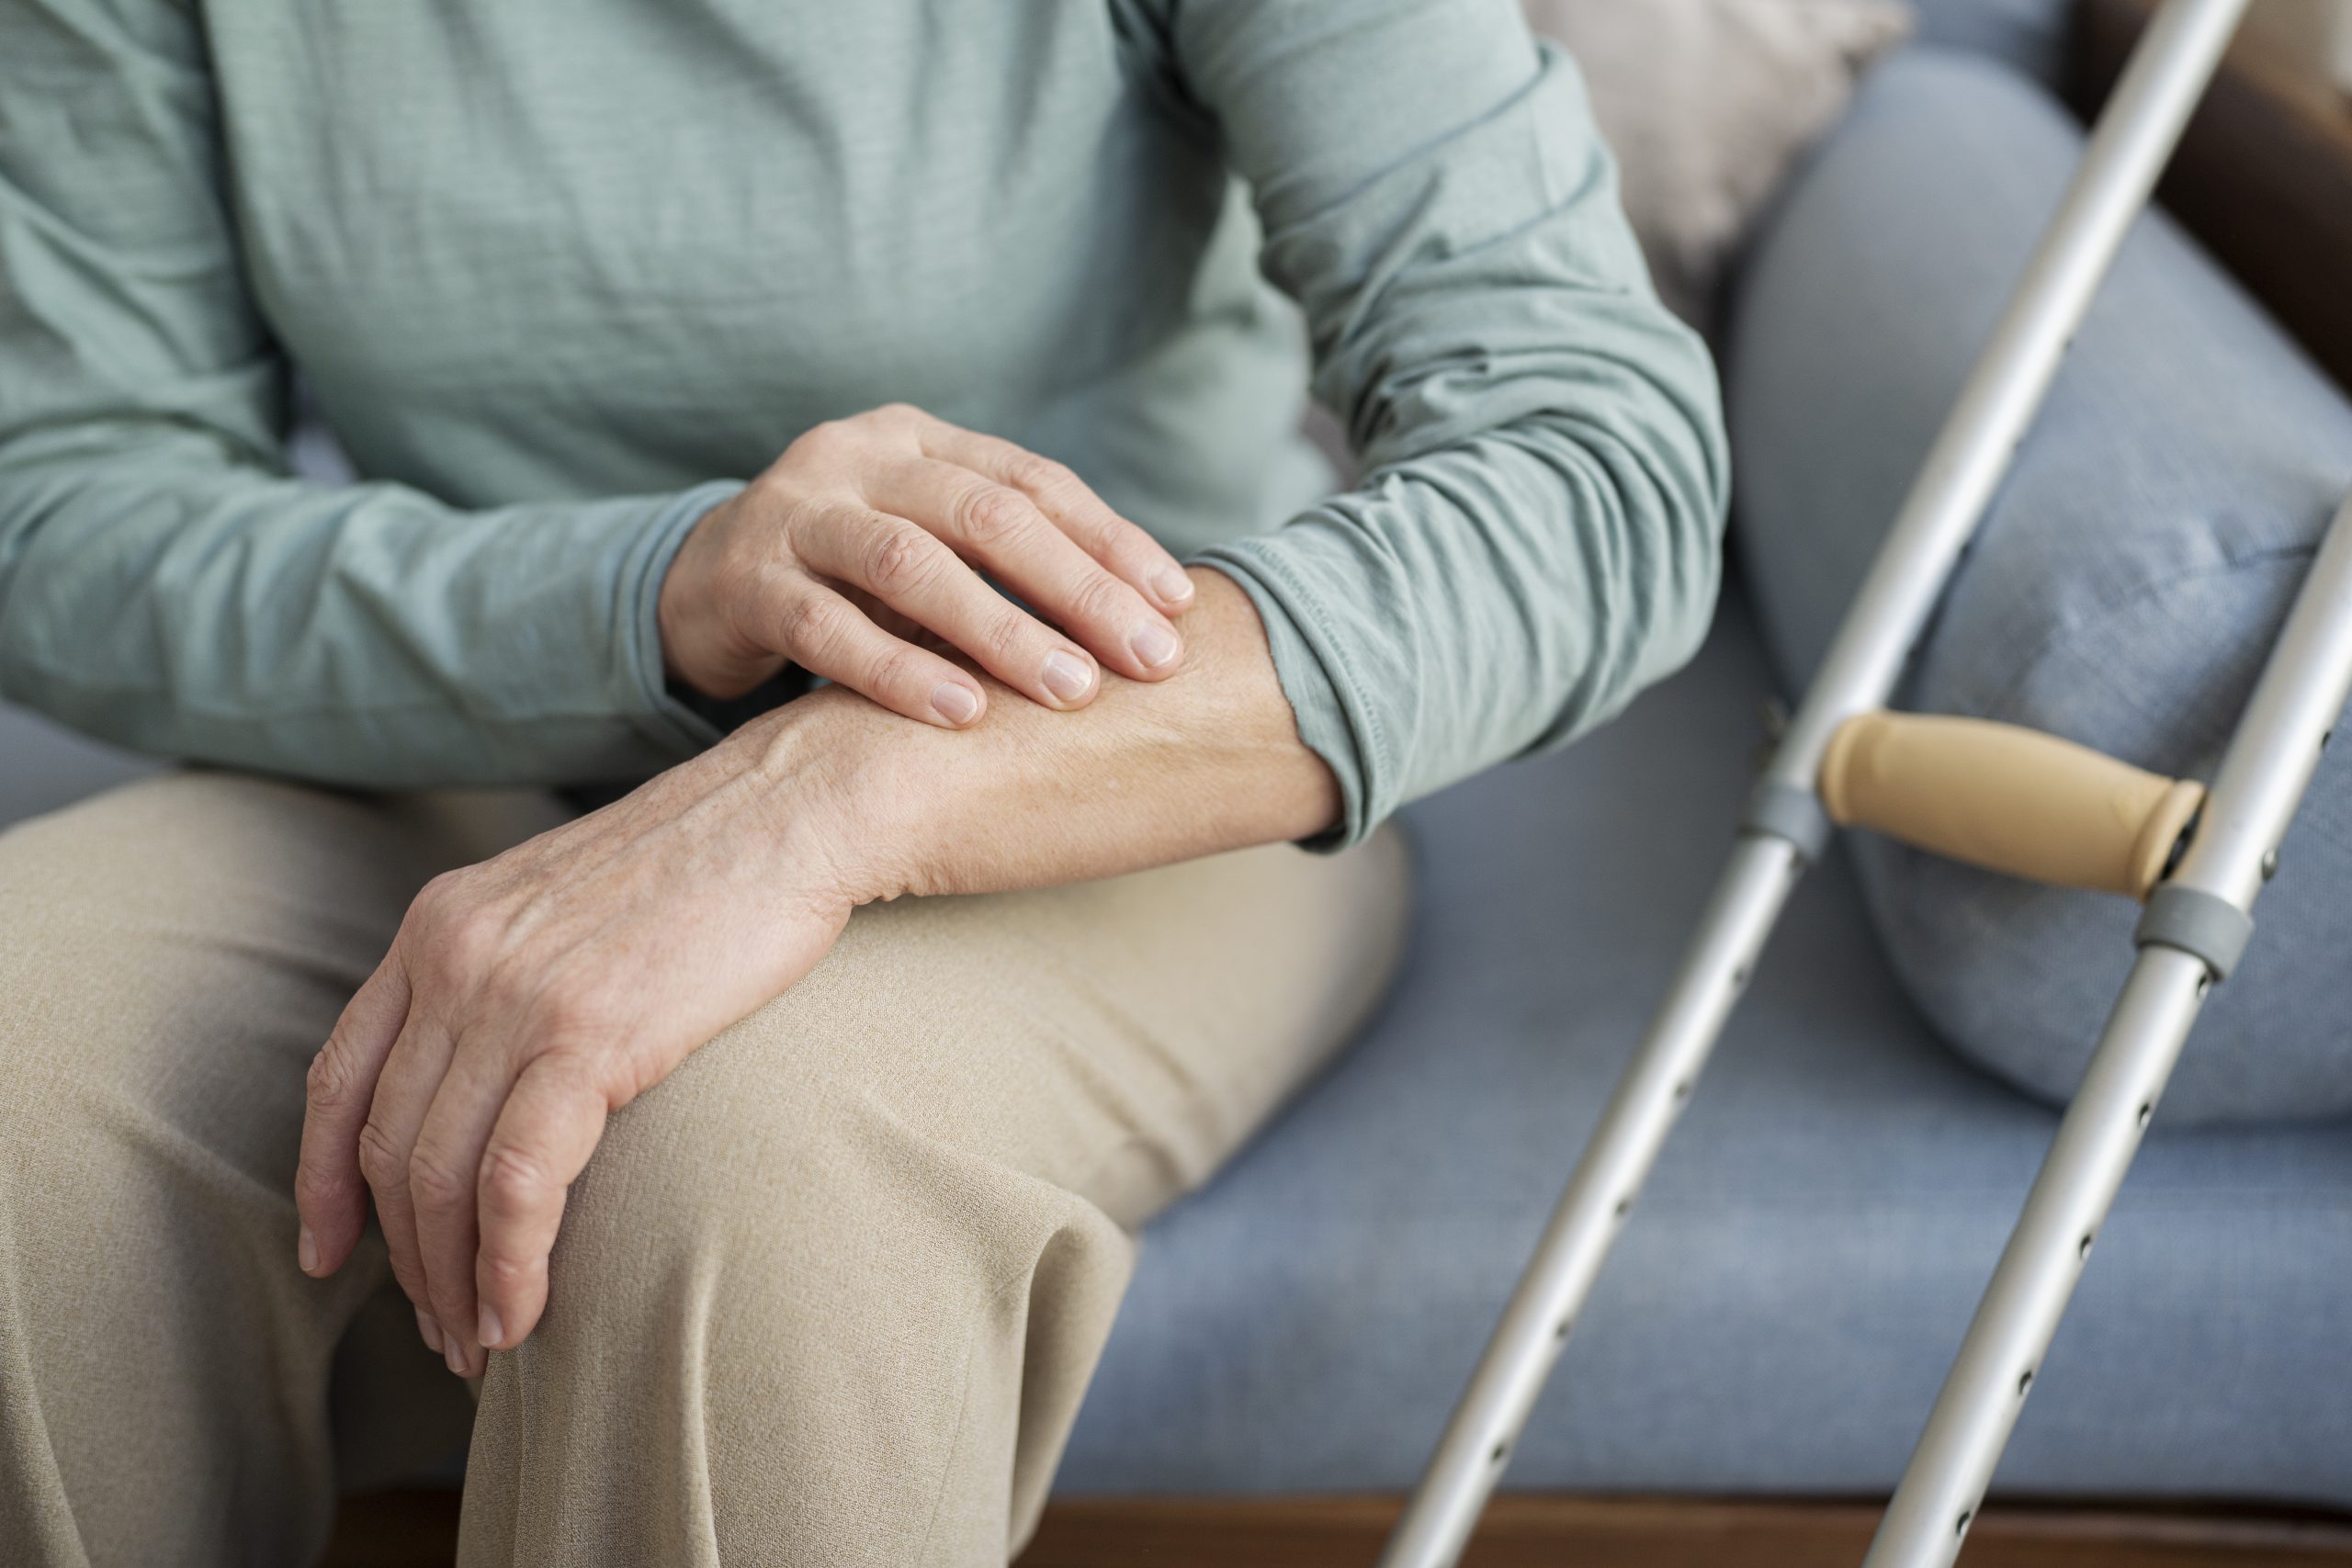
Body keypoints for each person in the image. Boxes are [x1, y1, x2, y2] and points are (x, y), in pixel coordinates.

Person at [0, 1, 1726, 1562]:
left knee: (742, 1171)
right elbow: (62, 506)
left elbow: (1596, 464)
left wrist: (817, 803)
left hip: (1110, 771)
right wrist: (655, 593)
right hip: (456, 738)